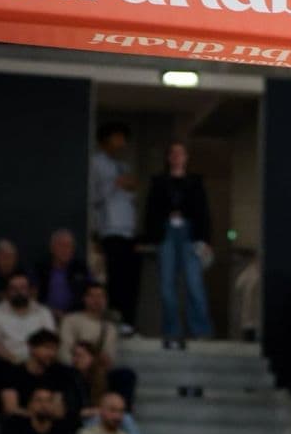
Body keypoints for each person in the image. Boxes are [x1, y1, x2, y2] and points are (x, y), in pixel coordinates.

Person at [145, 141, 213, 343]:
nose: (176, 157)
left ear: (186, 157)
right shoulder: (158, 181)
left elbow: (204, 212)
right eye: (173, 153)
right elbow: (150, 211)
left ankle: (200, 330)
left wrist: (205, 239)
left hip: (189, 233)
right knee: (167, 286)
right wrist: (151, 237)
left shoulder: (195, 181)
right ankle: (172, 331)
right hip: (166, 232)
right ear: (168, 158)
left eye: (180, 153)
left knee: (194, 284)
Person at [90, 122, 140, 333]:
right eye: (117, 138)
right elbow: (94, 197)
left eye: (123, 139)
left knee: (130, 278)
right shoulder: (96, 163)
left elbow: (132, 196)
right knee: (115, 277)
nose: (121, 143)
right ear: (105, 140)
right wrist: (116, 184)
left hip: (129, 230)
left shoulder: (124, 165)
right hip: (110, 229)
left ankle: (128, 321)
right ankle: (113, 319)